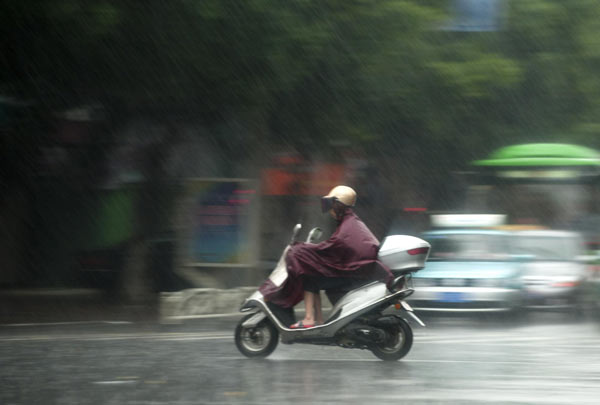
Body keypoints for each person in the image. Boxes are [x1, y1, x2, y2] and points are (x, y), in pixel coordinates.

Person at [258, 185, 394, 329]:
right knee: (314, 276)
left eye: (331, 205)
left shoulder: (347, 226)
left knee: (309, 279)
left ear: (338, 205)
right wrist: (311, 249)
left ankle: (310, 319)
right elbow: (335, 247)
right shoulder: (352, 222)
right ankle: (319, 321)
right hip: (357, 271)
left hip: (351, 273)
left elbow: (331, 248)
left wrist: (302, 249)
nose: (330, 210)